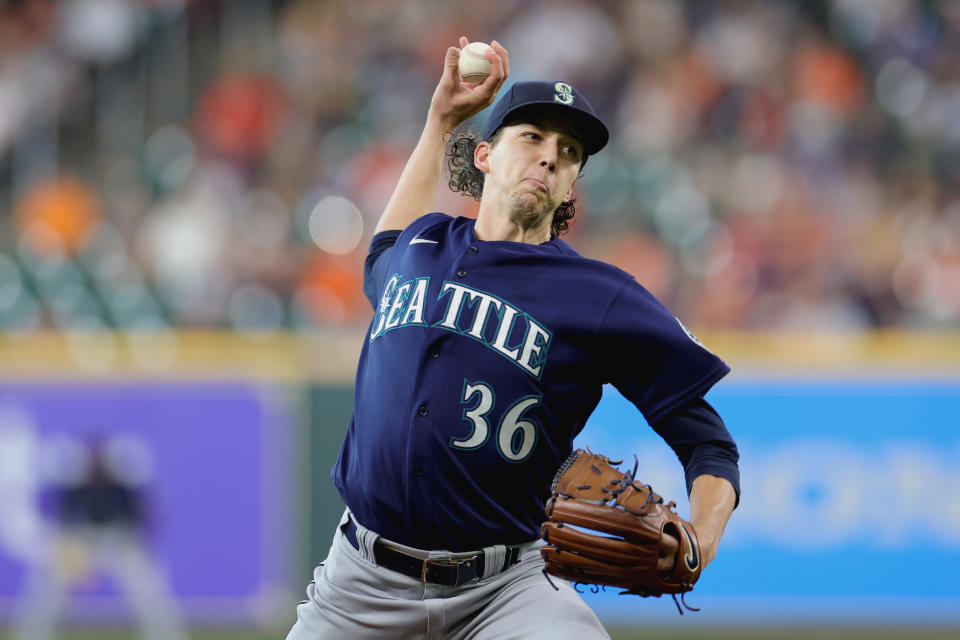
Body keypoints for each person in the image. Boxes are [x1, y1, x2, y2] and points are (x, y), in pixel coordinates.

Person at [287, 37, 739, 640]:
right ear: (484, 156)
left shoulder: (599, 294)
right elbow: (381, 248)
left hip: (508, 590)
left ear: (571, 184)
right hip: (360, 585)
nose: (550, 158)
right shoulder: (422, 246)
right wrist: (438, 120)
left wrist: (702, 541)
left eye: (569, 152)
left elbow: (709, 443)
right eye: (532, 137)